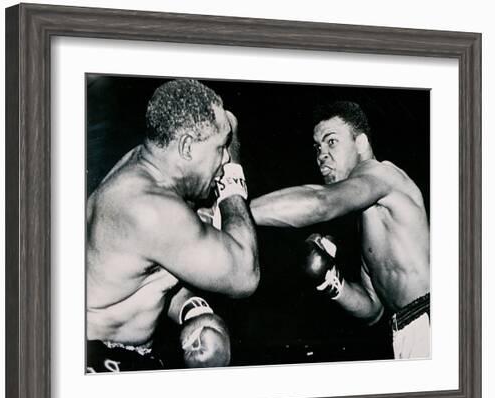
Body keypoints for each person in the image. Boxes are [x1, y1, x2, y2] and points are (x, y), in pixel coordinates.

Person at [86, 79, 259, 372]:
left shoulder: (146, 171)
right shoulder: (148, 207)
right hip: (100, 359)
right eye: (220, 147)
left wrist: (193, 310)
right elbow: (244, 274)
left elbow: (144, 278)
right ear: (187, 147)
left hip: (112, 349)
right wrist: (232, 178)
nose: (225, 156)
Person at [250, 101, 430, 359]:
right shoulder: (368, 214)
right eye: (317, 147)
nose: (321, 154)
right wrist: (332, 281)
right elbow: (373, 308)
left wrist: (234, 212)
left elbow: (321, 202)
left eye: (331, 141)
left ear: (361, 143)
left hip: (431, 317)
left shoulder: (381, 174)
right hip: (405, 329)